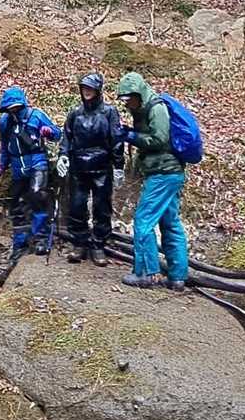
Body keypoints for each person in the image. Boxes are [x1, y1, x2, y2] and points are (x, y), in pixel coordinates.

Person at [115, 72, 189, 291]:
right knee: (170, 222)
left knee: (143, 220)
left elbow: (159, 139)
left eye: (129, 98)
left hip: (163, 173)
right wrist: (130, 132)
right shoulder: (144, 109)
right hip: (169, 173)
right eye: (123, 99)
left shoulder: (156, 108)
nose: (126, 103)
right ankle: (177, 277)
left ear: (139, 94)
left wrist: (131, 137)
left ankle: (146, 273)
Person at [58, 72, 123, 267]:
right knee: (77, 206)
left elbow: (116, 139)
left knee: (102, 208)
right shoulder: (75, 113)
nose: (87, 91)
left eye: (91, 88)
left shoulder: (109, 112)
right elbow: (67, 136)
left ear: (98, 90)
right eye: (84, 88)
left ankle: (98, 245)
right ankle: (79, 243)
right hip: (79, 167)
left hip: (102, 166)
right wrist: (63, 155)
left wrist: (119, 166)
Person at [0, 86, 61, 260]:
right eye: (10, 109)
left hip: (36, 161)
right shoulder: (5, 122)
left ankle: (41, 238)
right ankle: (20, 242)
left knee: (37, 194)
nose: (14, 111)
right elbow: (4, 146)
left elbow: (57, 134)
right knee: (16, 202)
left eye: (17, 108)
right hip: (17, 164)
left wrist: (48, 132)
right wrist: (2, 166)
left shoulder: (36, 116)